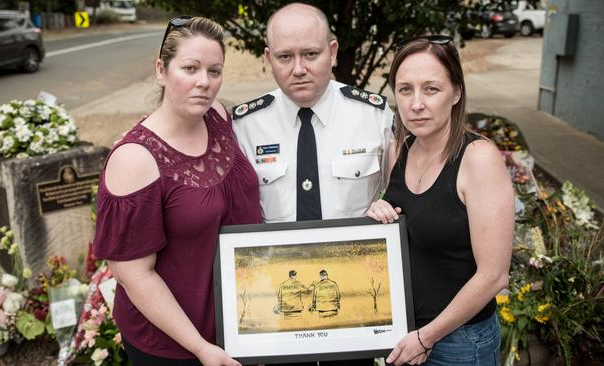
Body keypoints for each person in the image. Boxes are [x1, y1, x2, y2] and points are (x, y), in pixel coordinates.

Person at [92, 16, 261, 365]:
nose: (205, 82)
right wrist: (200, 348)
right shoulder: (135, 160)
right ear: (161, 70)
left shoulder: (217, 115)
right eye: (190, 68)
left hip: (235, 324)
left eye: (215, 71)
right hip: (175, 345)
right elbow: (135, 275)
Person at [366, 35, 515, 365]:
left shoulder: (478, 159)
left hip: (459, 343)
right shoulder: (398, 151)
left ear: (456, 92)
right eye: (405, 89)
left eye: (431, 89)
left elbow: (494, 275)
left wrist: (427, 336)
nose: (416, 103)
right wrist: (377, 214)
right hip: (405, 336)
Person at [232, 2, 394, 224]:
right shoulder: (244, 126)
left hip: (356, 256)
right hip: (277, 258)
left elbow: (402, 197)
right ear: (269, 59)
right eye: (285, 57)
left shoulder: (374, 115)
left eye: (310, 54)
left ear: (332, 53)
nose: (298, 69)